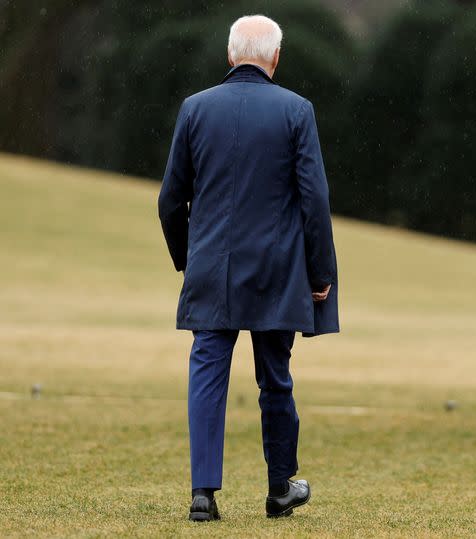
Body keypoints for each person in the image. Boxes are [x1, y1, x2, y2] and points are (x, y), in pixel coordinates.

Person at [158, 14, 339, 520]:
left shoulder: (195, 108)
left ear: (230, 54)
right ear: (275, 58)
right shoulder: (296, 110)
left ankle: (202, 495)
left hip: (211, 268)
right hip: (277, 271)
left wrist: (188, 258)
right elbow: (314, 198)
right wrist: (319, 272)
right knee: (275, 379)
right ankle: (280, 488)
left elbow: (171, 199)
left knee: (207, 377)